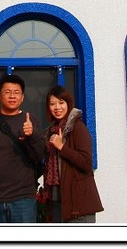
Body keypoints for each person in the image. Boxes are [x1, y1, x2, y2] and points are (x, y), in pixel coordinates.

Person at [0, 73, 46, 223]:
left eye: (16, 92)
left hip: (23, 199)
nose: (12, 96)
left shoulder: (31, 121)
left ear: (22, 97)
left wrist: (32, 135)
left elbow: (40, 155)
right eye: (7, 92)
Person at [43, 85, 104, 223]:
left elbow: (86, 163)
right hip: (58, 200)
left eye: (61, 103)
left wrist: (62, 147)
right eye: (52, 104)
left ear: (68, 104)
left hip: (78, 204)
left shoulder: (77, 128)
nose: (57, 107)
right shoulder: (51, 131)